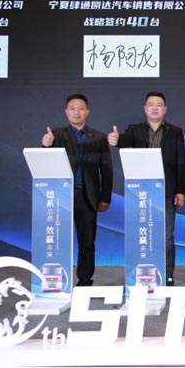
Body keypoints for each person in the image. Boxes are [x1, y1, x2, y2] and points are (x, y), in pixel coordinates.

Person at [107, 91, 185, 286]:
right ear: (145, 108)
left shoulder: (175, 131)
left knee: (166, 236)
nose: (155, 108)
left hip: (166, 190)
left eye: (159, 105)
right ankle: (141, 276)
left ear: (165, 109)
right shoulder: (134, 130)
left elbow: (181, 162)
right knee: (141, 234)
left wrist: (181, 190)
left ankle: (167, 277)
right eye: (151, 104)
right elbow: (123, 140)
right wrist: (116, 140)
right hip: (141, 192)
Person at [42, 94, 113, 287]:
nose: (76, 112)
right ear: (66, 112)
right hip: (61, 197)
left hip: (87, 196)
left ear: (87, 112)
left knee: (87, 242)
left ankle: (85, 280)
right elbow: (45, 162)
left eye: (80, 108)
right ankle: (56, 281)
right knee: (57, 240)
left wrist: (105, 197)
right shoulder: (56, 135)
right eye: (72, 108)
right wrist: (46, 145)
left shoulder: (99, 137)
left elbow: (106, 170)